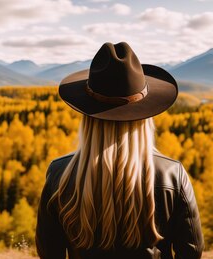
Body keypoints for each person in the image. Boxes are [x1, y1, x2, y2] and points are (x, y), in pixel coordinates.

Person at [36, 42, 203, 259]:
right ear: (146, 116)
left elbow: (49, 254)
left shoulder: (59, 174)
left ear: (87, 117)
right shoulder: (172, 174)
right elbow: (191, 252)